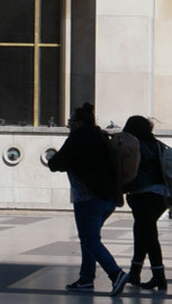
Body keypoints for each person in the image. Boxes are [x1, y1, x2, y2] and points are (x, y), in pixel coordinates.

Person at [45, 103, 127, 292]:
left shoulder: (78, 138)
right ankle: (86, 279)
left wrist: (54, 160)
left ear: (78, 123)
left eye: (70, 121)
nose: (69, 125)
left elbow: (57, 163)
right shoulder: (100, 136)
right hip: (108, 197)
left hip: (88, 198)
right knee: (90, 238)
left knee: (89, 239)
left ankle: (116, 274)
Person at [121, 116, 171, 290]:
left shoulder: (136, 145)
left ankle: (159, 276)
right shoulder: (156, 145)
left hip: (144, 194)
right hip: (159, 194)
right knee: (142, 231)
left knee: (148, 235)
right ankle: (135, 273)